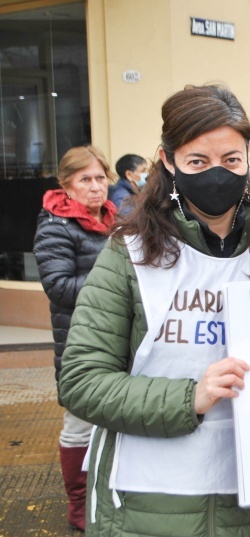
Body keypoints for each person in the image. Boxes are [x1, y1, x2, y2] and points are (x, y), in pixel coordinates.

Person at [58, 85, 250, 536]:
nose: (218, 175)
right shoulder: (130, 253)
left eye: (232, 160)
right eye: (198, 161)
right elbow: (81, 381)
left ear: (248, 159)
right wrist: (188, 397)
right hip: (146, 501)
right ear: (168, 160)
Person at [32, 145, 117, 531]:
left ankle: (110, 495)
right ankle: (79, 505)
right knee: (80, 425)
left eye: (100, 178)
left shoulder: (116, 221)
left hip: (118, 338)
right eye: (85, 179)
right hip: (79, 342)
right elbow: (59, 286)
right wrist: (115, 285)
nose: (96, 187)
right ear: (66, 185)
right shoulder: (55, 226)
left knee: (116, 420)